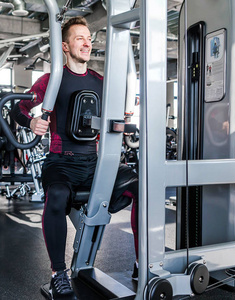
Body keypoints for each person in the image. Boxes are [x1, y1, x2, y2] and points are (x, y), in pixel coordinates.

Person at [11, 16, 139, 299]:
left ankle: (143, 263)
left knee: (140, 187)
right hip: (61, 162)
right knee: (56, 196)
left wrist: (126, 111)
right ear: (65, 46)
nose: (87, 42)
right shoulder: (51, 80)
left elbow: (119, 113)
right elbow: (17, 109)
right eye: (80, 37)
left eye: (89, 38)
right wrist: (31, 123)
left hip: (96, 163)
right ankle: (59, 274)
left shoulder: (100, 82)